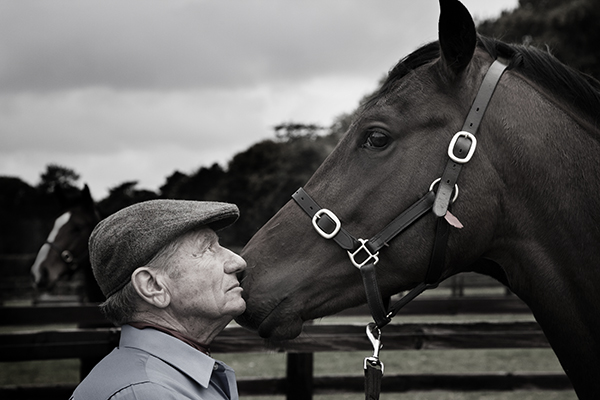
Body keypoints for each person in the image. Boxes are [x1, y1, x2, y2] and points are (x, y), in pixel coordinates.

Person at [70, 199, 247, 400]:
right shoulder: (147, 393)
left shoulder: (157, 382)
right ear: (153, 286)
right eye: (207, 248)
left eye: (219, 244)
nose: (238, 262)